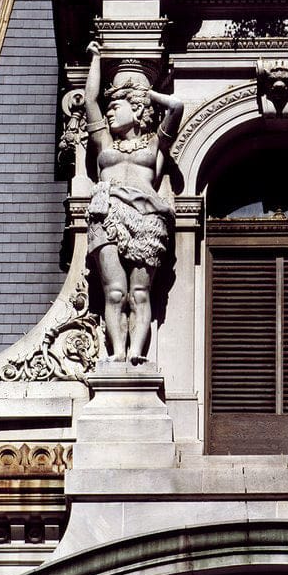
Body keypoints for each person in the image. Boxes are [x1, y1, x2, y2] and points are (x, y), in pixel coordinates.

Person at [84, 41, 184, 364]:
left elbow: (177, 107)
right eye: (110, 106)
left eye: (118, 105)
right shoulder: (103, 142)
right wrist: (97, 58)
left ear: (138, 109)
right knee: (115, 292)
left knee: (139, 293)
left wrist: (145, 95)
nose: (110, 110)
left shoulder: (155, 146)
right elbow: (89, 100)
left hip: (145, 218)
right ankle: (117, 354)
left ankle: (138, 356)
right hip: (108, 212)